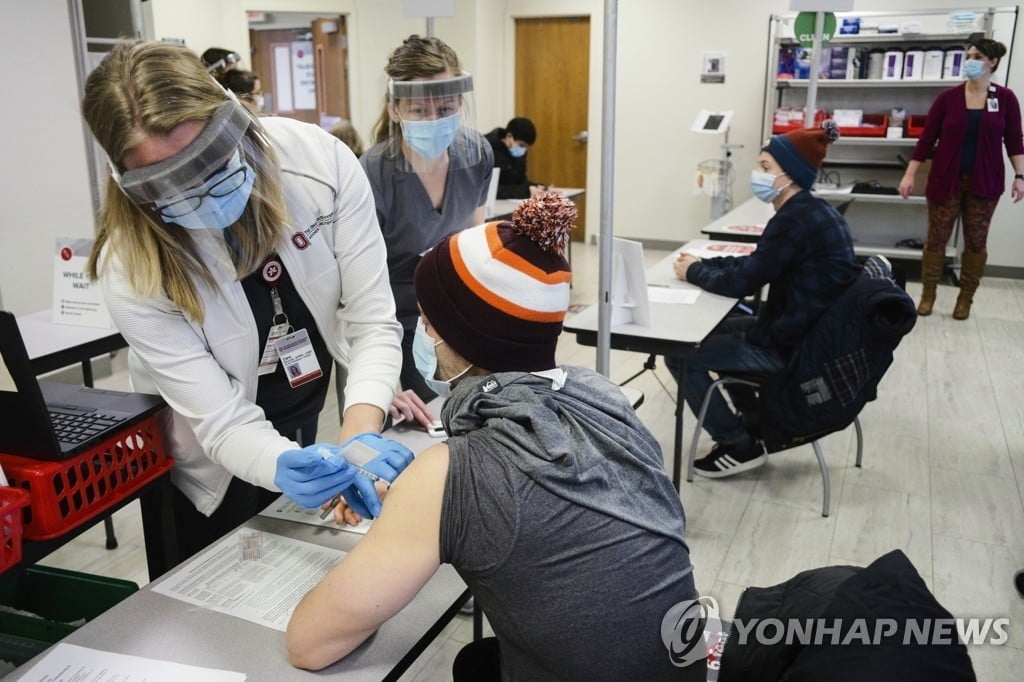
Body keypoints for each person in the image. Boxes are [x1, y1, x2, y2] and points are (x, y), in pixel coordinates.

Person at [285, 193, 702, 681]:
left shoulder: (454, 473)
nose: (420, 330)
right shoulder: (602, 397)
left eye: (426, 318)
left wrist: (419, 506)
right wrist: (422, 507)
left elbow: (308, 644)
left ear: (461, 337)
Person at [81, 41, 413, 564]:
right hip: (208, 453)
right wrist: (282, 463)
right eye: (172, 183)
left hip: (302, 400)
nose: (204, 187)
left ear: (233, 118)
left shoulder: (318, 163)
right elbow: (222, 421)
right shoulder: (131, 267)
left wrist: (359, 437)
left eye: (213, 158)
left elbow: (372, 321)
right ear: (132, 185)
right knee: (216, 582)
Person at [668, 120, 860, 478]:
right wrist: (704, 264)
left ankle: (738, 443)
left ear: (791, 175)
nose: (757, 173)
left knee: (680, 355)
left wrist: (693, 273)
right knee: (717, 329)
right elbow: (758, 263)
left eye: (766, 167)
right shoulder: (810, 212)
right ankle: (754, 421)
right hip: (805, 331)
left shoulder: (794, 220)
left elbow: (743, 281)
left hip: (792, 348)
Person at [360, 35, 493, 424]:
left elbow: (472, 241)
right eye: (419, 109)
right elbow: (358, 289)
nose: (434, 120)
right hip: (393, 324)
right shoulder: (373, 173)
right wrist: (383, 378)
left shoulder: (475, 154)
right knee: (422, 427)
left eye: (446, 108)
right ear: (395, 109)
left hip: (453, 315)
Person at [898, 38, 1024, 320]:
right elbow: (926, 139)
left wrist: (1020, 175)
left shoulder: (1005, 99)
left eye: (977, 56)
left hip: (986, 183)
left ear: (992, 62)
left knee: (977, 242)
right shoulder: (948, 98)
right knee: (936, 239)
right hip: (946, 180)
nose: (970, 60)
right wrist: (910, 174)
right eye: (969, 55)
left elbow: (1015, 140)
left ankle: (966, 298)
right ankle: (928, 294)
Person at [484, 116, 546, 199]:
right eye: (521, 145)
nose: (523, 150)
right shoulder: (486, 149)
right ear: (509, 136)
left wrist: (538, 187)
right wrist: (526, 191)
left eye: (526, 147)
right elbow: (489, 190)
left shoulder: (519, 152)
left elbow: (520, 181)